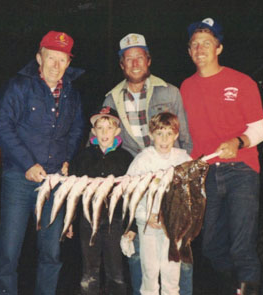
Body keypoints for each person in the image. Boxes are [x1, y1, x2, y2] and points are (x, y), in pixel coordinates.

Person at [180, 18, 263, 295]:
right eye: (195, 44)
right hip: (205, 172)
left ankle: (248, 287)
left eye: (207, 43)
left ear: (218, 48)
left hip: (241, 169)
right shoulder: (185, 88)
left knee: (242, 244)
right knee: (211, 246)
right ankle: (235, 286)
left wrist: (239, 141)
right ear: (189, 51)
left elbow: (260, 129)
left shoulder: (242, 81)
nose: (200, 48)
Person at [0, 30, 84, 295]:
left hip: (54, 182)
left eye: (62, 59)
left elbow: (76, 130)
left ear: (68, 62)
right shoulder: (19, 87)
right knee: (10, 250)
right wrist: (27, 164)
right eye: (51, 57)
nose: (56, 65)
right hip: (19, 179)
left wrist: (67, 158)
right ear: (39, 58)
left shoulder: (71, 93)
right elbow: (1, 126)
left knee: (51, 252)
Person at [103, 32, 193, 295]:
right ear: (122, 64)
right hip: (137, 192)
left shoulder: (170, 91)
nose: (134, 64)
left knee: (178, 259)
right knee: (143, 259)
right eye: (128, 59)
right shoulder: (111, 99)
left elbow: (185, 141)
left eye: (139, 57)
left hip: (171, 191)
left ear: (148, 60)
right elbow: (100, 142)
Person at [69, 106, 134, 295]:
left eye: (109, 127)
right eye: (100, 128)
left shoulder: (126, 158)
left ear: (117, 131)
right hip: (88, 220)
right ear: (93, 131)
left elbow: (131, 194)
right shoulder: (83, 157)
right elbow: (74, 192)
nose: (105, 132)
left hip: (116, 221)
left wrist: (131, 226)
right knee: (90, 270)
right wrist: (71, 220)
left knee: (116, 270)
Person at [127, 112, 192, 295]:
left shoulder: (183, 160)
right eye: (159, 133)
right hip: (148, 224)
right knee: (150, 268)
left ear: (176, 135)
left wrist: (182, 219)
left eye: (169, 133)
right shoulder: (142, 160)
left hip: (174, 225)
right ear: (151, 134)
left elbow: (191, 195)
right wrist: (145, 216)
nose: (164, 139)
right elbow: (130, 193)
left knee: (172, 268)